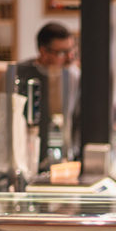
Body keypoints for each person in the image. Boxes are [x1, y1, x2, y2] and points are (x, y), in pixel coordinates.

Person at [17, 22, 81, 165]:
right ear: (43, 51)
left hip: (62, 161)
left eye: (72, 50)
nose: (70, 58)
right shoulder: (20, 73)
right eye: (62, 53)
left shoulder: (74, 76)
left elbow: (77, 119)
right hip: (27, 159)